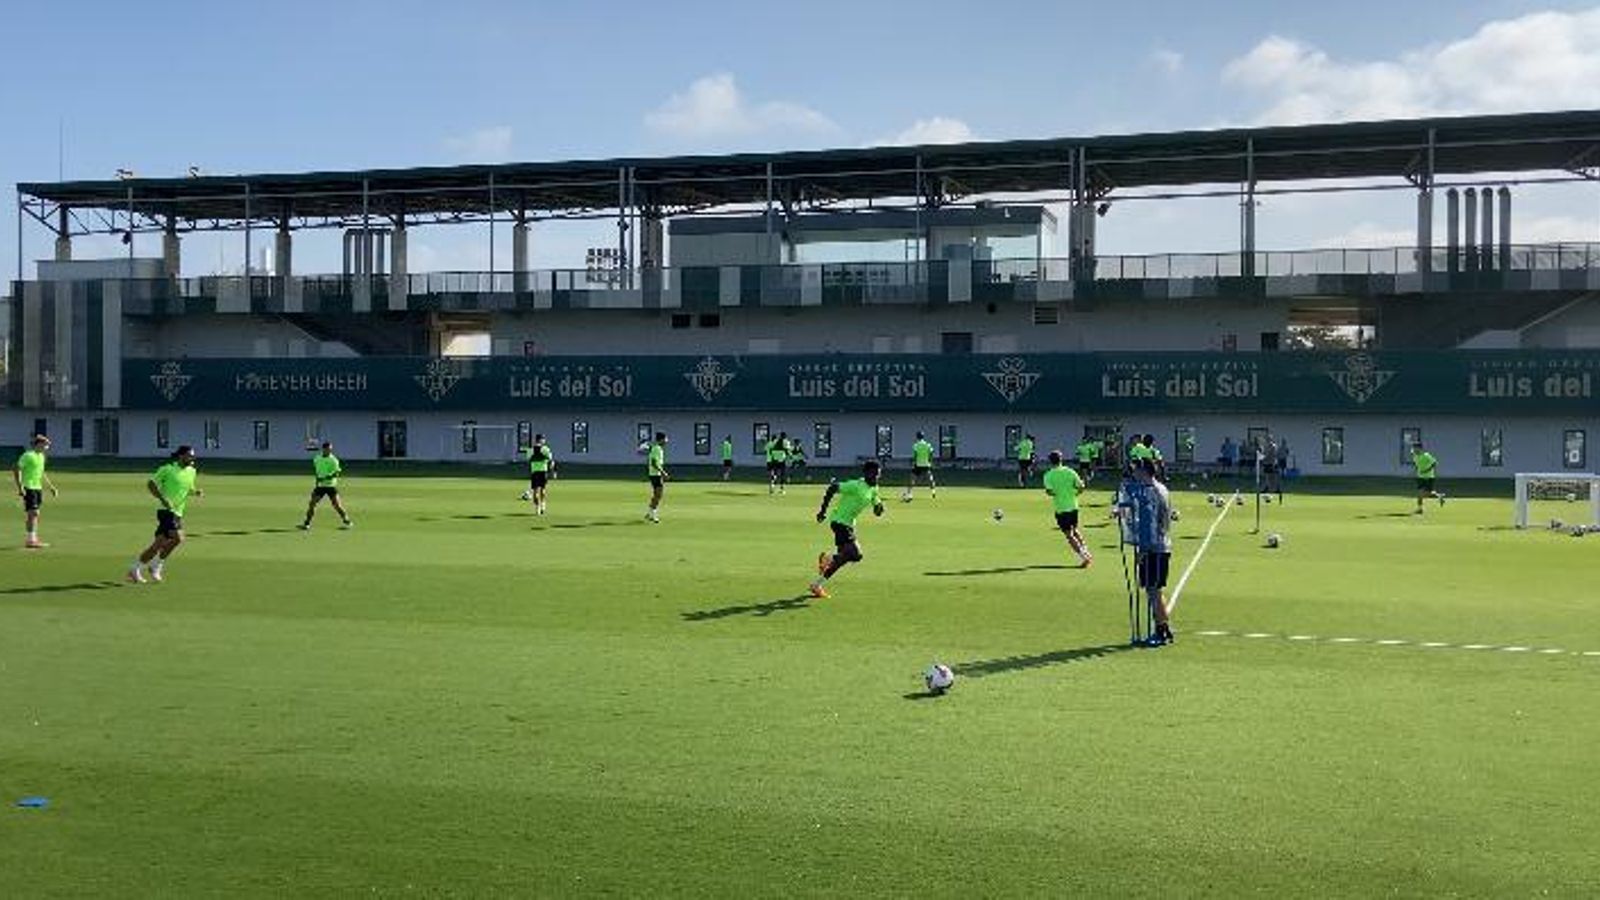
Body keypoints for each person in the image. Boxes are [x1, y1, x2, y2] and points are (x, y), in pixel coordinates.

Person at [809, 459, 885, 598]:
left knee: (842, 559)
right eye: (874, 474)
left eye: (878, 474)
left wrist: (879, 508)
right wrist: (822, 511)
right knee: (856, 554)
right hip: (840, 522)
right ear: (866, 473)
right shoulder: (856, 485)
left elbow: (877, 507)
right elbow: (832, 488)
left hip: (848, 524)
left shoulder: (874, 488)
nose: (877, 478)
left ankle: (817, 584)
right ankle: (827, 558)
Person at [129, 445, 203, 584]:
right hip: (166, 511)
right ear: (181, 456)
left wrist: (195, 492)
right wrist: (163, 499)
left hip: (178, 512)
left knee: (157, 545)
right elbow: (151, 484)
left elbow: (187, 487)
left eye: (193, 456)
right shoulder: (167, 469)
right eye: (189, 456)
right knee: (179, 538)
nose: (192, 458)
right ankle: (156, 565)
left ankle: (135, 569)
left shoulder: (192, 471)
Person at [1123, 459, 1175, 645]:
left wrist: (1143, 549)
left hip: (1155, 548)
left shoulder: (1151, 492)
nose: (1133, 474)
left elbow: (1150, 525)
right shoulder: (1160, 488)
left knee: (1153, 591)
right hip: (1161, 545)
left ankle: (1161, 631)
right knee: (1155, 590)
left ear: (1144, 471)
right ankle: (1164, 628)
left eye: (1136, 470)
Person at [1042, 450, 1092, 567]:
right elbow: (1081, 486)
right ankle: (1086, 551)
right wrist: (1075, 494)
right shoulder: (1070, 471)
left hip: (1061, 508)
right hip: (1073, 506)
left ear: (1050, 461)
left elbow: (1049, 491)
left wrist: (1057, 493)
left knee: (1069, 535)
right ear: (1061, 460)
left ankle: (1084, 557)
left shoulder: (1048, 475)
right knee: (1075, 530)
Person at [12, 434, 59, 549]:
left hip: (38, 488)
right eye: (45, 445)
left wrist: (51, 487)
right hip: (29, 487)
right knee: (34, 513)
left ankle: (31, 538)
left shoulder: (41, 456)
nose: (47, 447)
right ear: (39, 444)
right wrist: (20, 487)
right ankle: (31, 540)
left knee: (33, 514)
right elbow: (17, 469)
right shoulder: (28, 455)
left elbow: (41, 473)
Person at [300, 441, 353, 530]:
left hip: (330, 486)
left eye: (330, 449)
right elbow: (317, 471)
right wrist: (317, 479)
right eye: (328, 449)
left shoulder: (333, 460)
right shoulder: (317, 458)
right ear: (323, 449)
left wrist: (324, 478)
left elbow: (336, 473)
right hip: (320, 486)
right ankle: (307, 524)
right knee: (312, 504)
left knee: (337, 505)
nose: (330, 451)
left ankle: (347, 521)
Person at [521, 434, 556, 515]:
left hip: (535, 471)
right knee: (542, 490)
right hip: (543, 471)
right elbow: (551, 460)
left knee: (535, 491)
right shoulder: (545, 449)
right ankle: (542, 506)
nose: (544, 441)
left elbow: (529, 459)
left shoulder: (530, 450)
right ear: (540, 440)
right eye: (543, 439)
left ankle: (537, 508)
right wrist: (553, 471)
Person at [1412, 443, 1445, 513]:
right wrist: (1417, 471)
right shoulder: (1415, 456)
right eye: (1413, 448)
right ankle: (1420, 509)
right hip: (1420, 477)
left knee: (1428, 493)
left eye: (1415, 448)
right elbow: (1417, 465)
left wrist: (1426, 470)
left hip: (1429, 477)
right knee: (1420, 493)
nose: (1414, 449)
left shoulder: (1426, 455)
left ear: (1420, 448)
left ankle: (1439, 496)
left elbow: (1434, 463)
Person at [646, 432, 669, 522]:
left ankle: (650, 513)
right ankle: (653, 515)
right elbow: (654, 463)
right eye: (665, 439)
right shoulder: (657, 449)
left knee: (656, 495)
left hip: (654, 474)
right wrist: (663, 472)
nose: (666, 441)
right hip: (655, 475)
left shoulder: (657, 448)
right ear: (661, 439)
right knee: (659, 495)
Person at [907, 431, 937, 499]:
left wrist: (914, 463)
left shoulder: (916, 445)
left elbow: (915, 455)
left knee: (912, 479)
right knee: (930, 478)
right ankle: (933, 492)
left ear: (917, 437)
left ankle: (910, 494)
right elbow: (931, 453)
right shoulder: (927, 445)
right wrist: (930, 461)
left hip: (918, 464)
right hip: (926, 464)